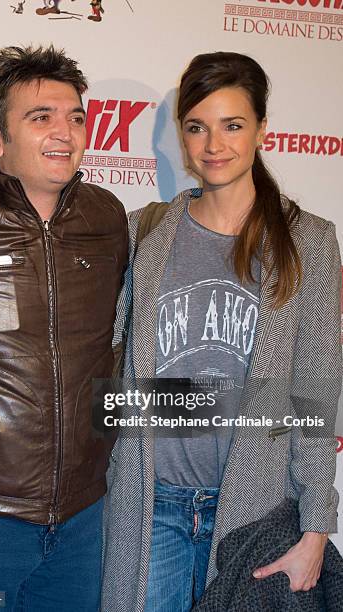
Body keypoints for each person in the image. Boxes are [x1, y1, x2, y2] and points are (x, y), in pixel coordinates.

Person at [102, 52, 342, 612]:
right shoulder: (147, 231)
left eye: (232, 125)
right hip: (150, 503)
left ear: (262, 128)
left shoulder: (308, 240)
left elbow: (315, 389)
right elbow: (107, 356)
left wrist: (315, 529)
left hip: (253, 513)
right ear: (182, 137)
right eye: (197, 127)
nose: (214, 144)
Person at [0, 45, 127, 611]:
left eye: (75, 116)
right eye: (40, 117)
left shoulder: (106, 216)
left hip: (85, 510)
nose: (64, 132)